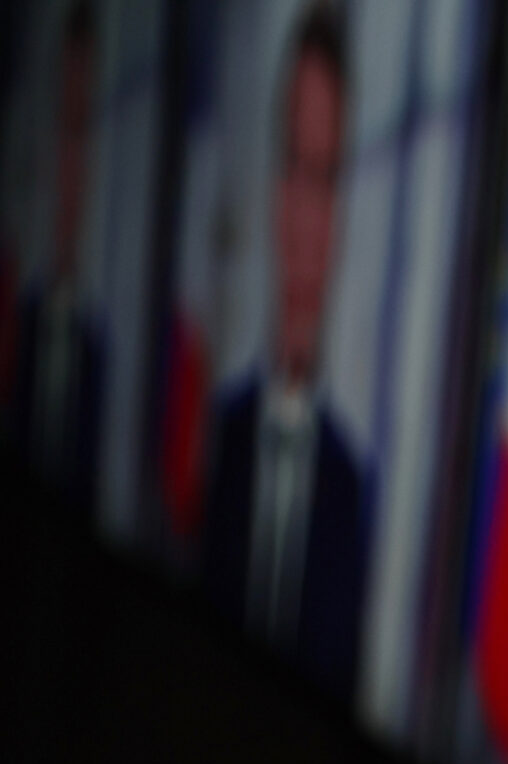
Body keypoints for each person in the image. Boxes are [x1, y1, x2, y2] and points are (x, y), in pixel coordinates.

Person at [196, 1, 372, 701]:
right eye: (296, 170)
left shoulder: (352, 491)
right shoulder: (213, 437)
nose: (306, 224)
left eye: (326, 179)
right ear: (272, 194)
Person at [9, 0, 106, 512]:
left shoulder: (105, 358)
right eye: (67, 127)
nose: (74, 163)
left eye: (85, 129)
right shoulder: (9, 326)